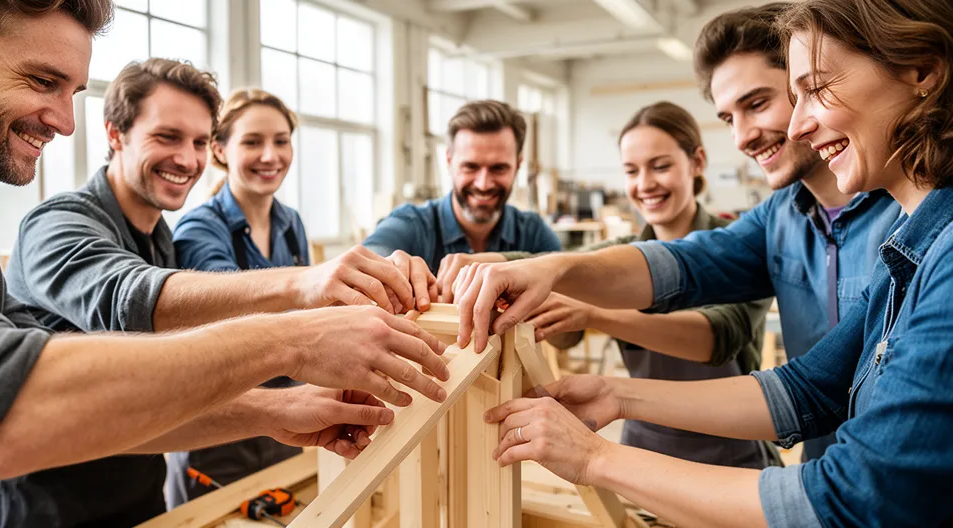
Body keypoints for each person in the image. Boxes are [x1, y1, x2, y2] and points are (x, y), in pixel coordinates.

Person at [0, 2, 448, 528]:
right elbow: (118, 307)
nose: (64, 122)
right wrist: (299, 313)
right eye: (42, 81)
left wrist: (275, 411)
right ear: (116, 134)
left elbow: (114, 407)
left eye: (200, 142)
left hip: (138, 500)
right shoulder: (56, 223)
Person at [462, 0, 953, 525]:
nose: (796, 124)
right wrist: (610, 385)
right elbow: (807, 387)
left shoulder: (929, 245)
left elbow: (854, 497)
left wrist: (594, 456)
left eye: (811, 89)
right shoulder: (901, 240)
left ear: (921, 71)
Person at [523, 101, 775, 468]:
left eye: (660, 166)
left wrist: (595, 314)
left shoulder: (740, 246)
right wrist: (490, 270)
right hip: (643, 451)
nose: (645, 185)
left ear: (697, 162)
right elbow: (557, 306)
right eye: (631, 171)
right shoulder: (620, 252)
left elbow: (715, 337)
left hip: (730, 453)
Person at [166, 89, 309, 506]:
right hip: (221, 432)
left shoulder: (290, 221)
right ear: (220, 149)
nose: (270, 155)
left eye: (281, 141)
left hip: (286, 417)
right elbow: (235, 322)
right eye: (252, 142)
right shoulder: (198, 229)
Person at [362, 100, 561, 294]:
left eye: (498, 168)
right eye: (470, 167)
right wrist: (388, 263)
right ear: (449, 160)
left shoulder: (533, 232)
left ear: (518, 164)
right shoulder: (412, 224)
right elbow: (369, 256)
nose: (483, 184)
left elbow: (567, 275)